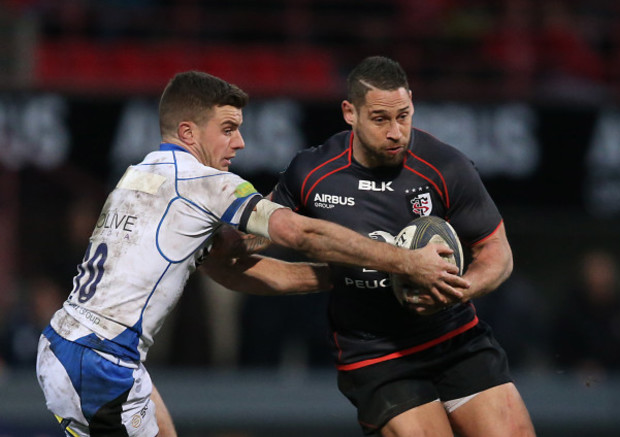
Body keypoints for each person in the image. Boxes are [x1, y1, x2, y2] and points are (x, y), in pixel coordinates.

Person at [35, 70, 462, 437]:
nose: (239, 143)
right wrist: (402, 261)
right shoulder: (203, 182)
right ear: (188, 133)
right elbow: (298, 232)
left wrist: (344, 276)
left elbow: (235, 272)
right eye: (227, 129)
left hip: (71, 345)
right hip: (100, 361)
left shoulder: (141, 174)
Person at [270, 56, 536, 436]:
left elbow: (497, 252)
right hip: (376, 353)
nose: (396, 131)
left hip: (454, 337)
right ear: (350, 112)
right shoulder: (311, 172)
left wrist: (458, 292)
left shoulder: (446, 166)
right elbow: (252, 234)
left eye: (404, 116)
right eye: (380, 119)